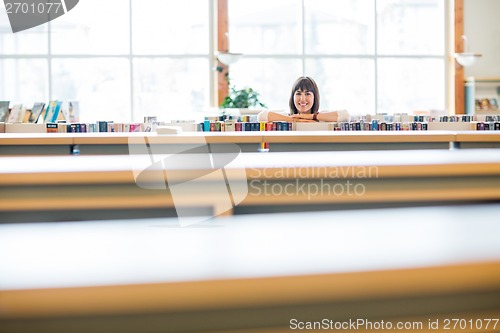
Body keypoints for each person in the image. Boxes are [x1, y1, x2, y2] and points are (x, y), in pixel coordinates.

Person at [257, 76, 350, 123]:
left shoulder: (322, 117)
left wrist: (310, 117)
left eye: (307, 94)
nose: (302, 99)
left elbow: (345, 116)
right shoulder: (287, 117)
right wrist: (293, 119)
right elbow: (261, 116)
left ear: (315, 97)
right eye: (298, 93)